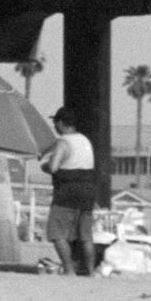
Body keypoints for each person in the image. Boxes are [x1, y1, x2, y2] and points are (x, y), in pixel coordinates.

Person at [41, 107, 98, 277]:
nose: (54, 126)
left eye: (55, 123)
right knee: (86, 236)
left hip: (67, 192)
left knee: (56, 232)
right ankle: (91, 272)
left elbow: (53, 167)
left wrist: (44, 165)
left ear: (61, 123)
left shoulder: (63, 142)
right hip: (87, 191)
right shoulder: (85, 141)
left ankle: (69, 269)